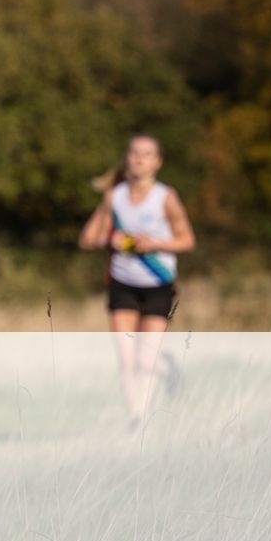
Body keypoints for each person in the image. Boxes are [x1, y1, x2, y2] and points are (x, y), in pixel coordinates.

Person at [77, 134, 195, 424]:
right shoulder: (114, 197)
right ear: (127, 158)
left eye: (147, 154)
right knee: (127, 358)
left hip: (158, 284)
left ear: (158, 162)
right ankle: (137, 418)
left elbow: (187, 240)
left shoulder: (166, 198)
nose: (139, 158)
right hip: (123, 284)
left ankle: (163, 373)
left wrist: (154, 244)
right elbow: (88, 239)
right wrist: (111, 241)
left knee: (146, 358)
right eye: (134, 152)